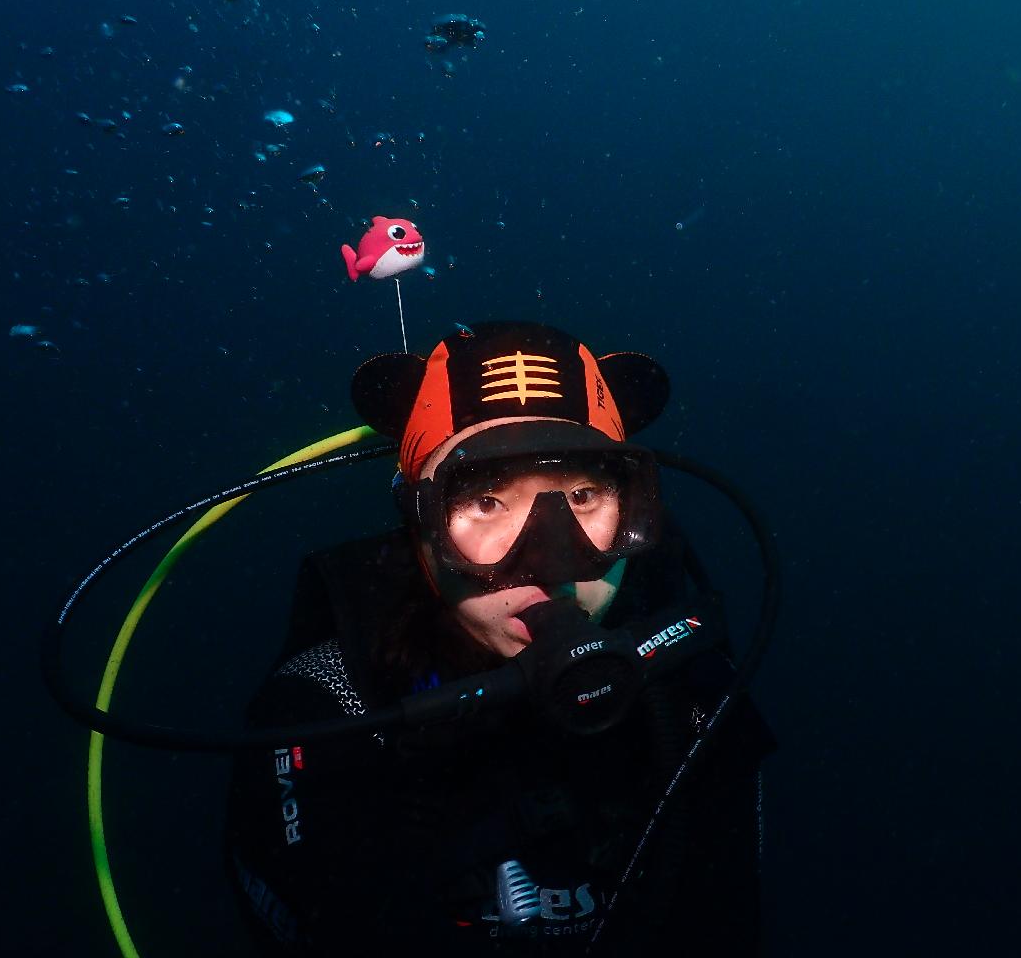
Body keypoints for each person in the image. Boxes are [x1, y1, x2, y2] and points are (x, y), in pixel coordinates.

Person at [223, 321, 775, 955]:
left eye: (584, 493)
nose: (550, 561)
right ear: (420, 531)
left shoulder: (690, 692)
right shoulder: (330, 709)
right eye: (486, 501)